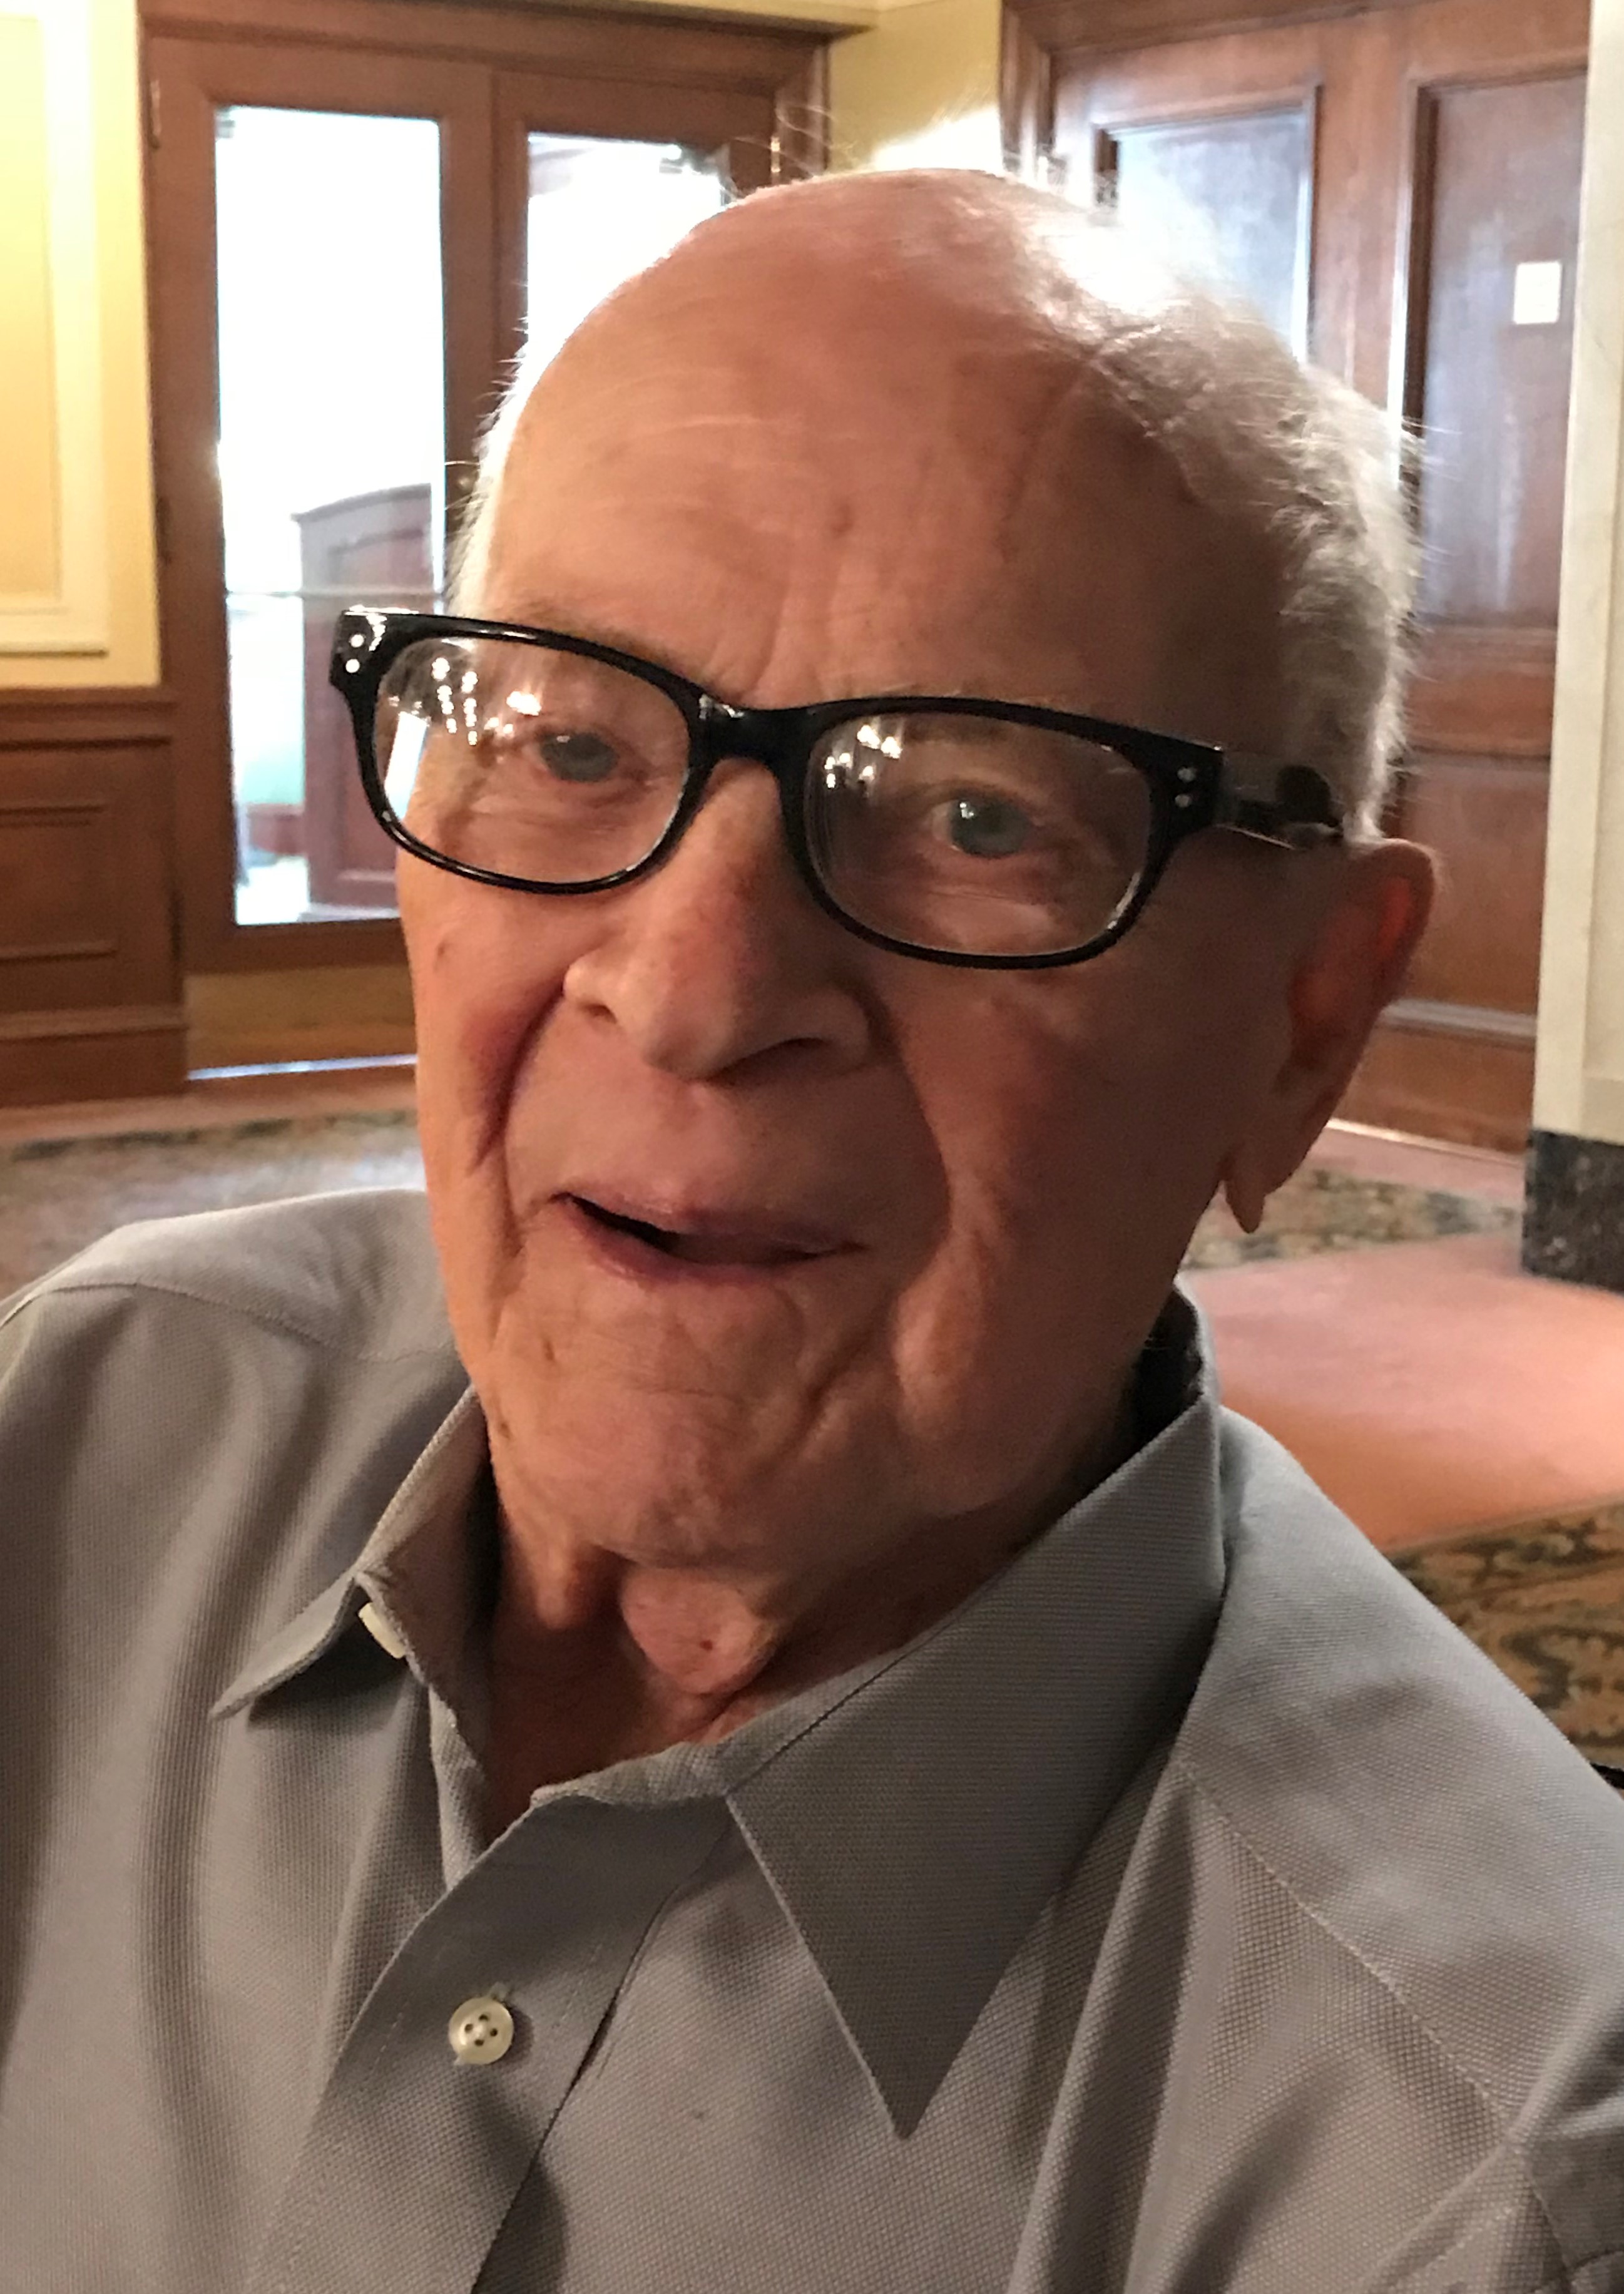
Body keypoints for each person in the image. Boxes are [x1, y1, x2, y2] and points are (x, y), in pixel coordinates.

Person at [2, 168, 1621, 2294]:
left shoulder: (1482, 2178)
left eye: (976, 812)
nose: (690, 989)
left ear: (1303, 1014)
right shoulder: (93, 1438)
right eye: (572, 741)